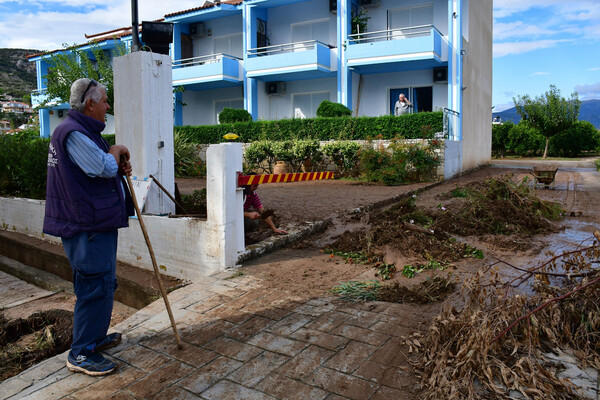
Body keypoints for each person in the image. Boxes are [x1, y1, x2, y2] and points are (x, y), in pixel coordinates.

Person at [43, 78, 134, 376]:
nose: (108, 105)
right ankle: (81, 353)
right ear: (90, 103)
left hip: (96, 223)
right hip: (87, 226)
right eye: (105, 100)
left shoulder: (84, 132)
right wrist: (116, 150)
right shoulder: (72, 133)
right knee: (94, 286)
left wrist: (116, 161)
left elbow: (102, 168)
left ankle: (93, 340)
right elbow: (102, 167)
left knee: (104, 282)